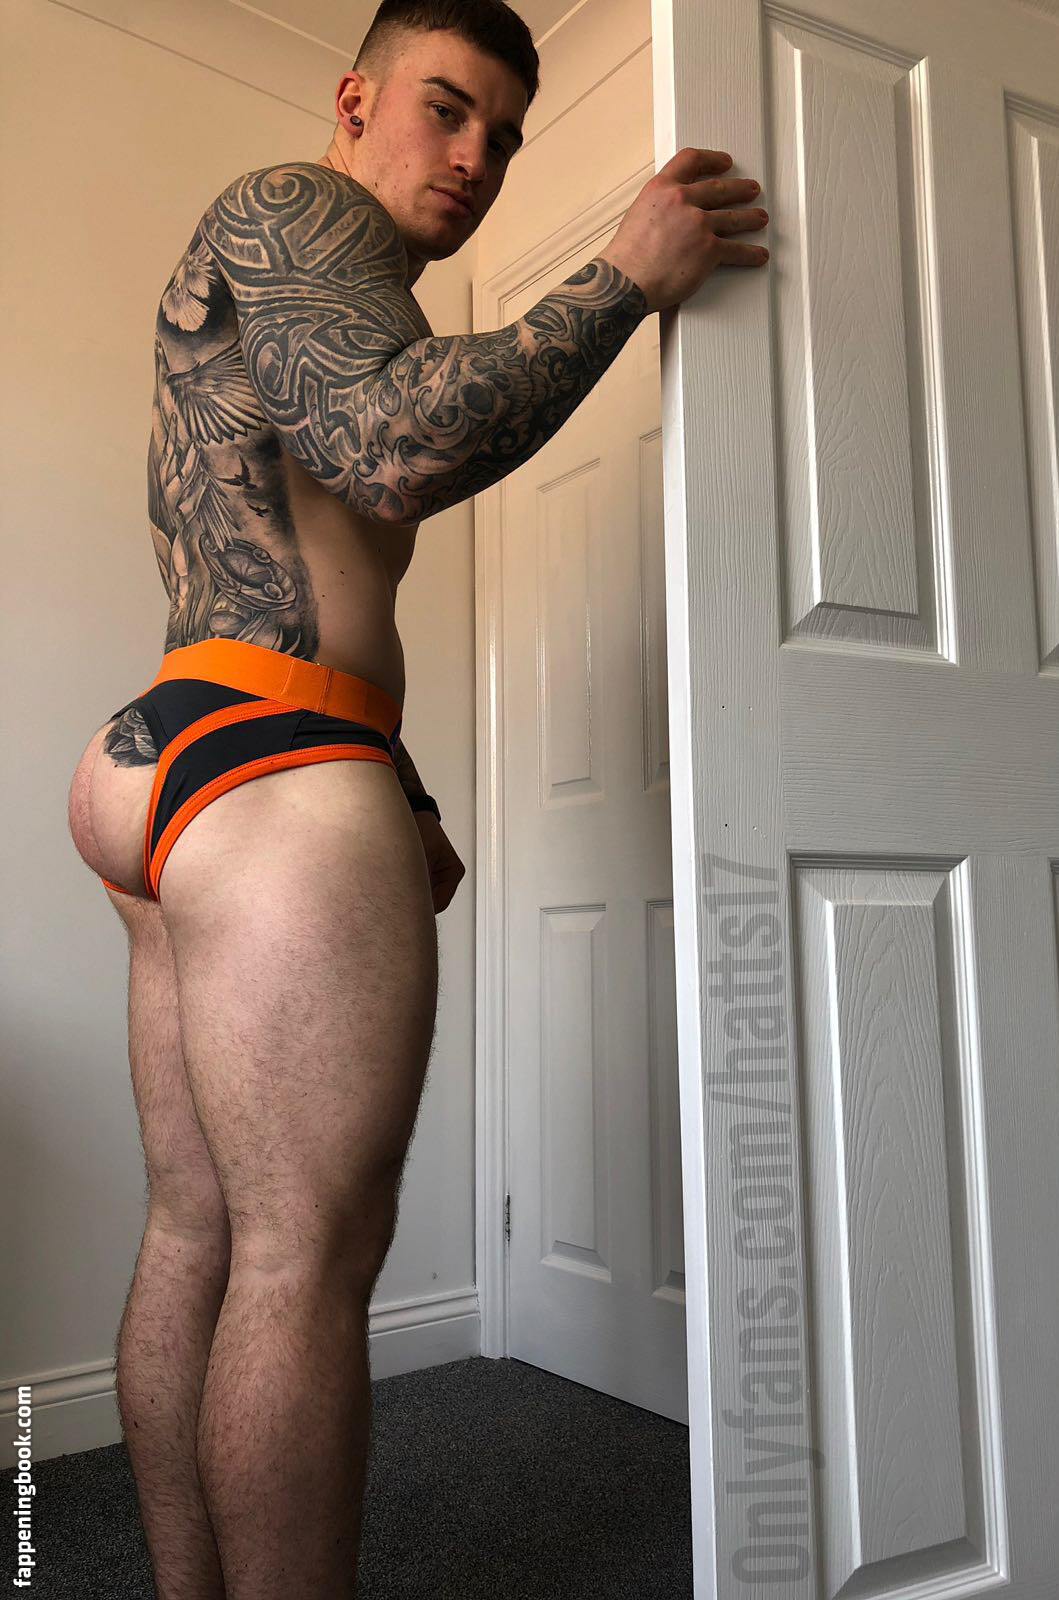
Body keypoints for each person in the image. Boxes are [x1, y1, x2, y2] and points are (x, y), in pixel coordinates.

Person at [64, 1, 771, 1593]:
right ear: (353, 97)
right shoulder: (300, 207)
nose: (476, 158)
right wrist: (626, 276)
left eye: (503, 138)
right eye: (447, 109)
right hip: (267, 768)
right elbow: (387, 451)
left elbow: (285, 553)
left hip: (179, 744)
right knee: (301, 1262)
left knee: (198, 1229)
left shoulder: (319, 281)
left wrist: (396, 775)